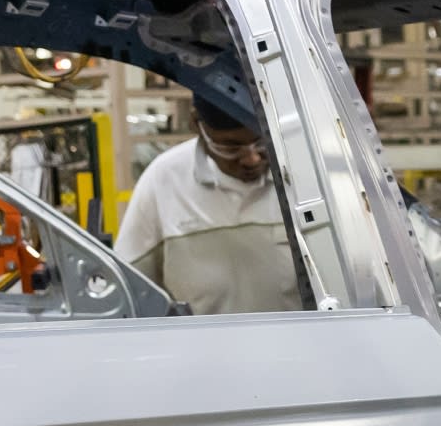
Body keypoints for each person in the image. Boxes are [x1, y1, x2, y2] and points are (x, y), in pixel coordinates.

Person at [113, 94, 306, 314]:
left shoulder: (303, 175)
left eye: (261, 142)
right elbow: (126, 285)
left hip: (294, 345)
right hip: (199, 347)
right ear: (197, 124)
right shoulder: (164, 179)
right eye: (231, 148)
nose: (251, 159)